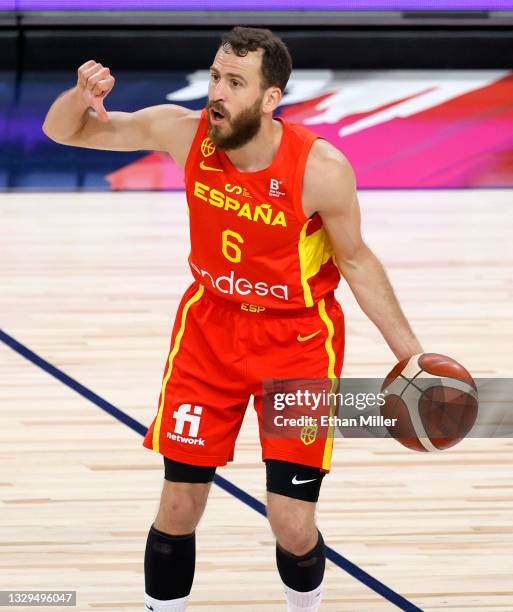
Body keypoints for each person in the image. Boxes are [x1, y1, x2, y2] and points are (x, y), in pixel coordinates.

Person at [43, 26, 422, 612]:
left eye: (235, 82)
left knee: (291, 525)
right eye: (216, 75)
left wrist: (411, 354)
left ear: (271, 98)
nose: (217, 91)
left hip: (297, 342)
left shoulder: (320, 167)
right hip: (209, 333)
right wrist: (79, 95)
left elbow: (356, 260)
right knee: (177, 506)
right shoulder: (183, 131)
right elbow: (63, 131)